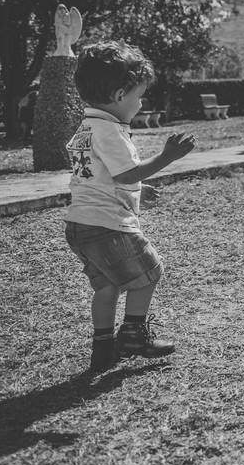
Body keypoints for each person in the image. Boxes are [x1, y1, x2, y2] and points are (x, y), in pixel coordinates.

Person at [63, 40, 197, 373]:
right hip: (108, 224)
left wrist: (138, 188)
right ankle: (135, 334)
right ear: (120, 95)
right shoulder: (109, 131)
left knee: (107, 287)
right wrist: (166, 157)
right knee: (149, 271)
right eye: (139, 96)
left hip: (81, 224)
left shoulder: (87, 128)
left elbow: (103, 177)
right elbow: (125, 173)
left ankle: (103, 349)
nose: (140, 103)